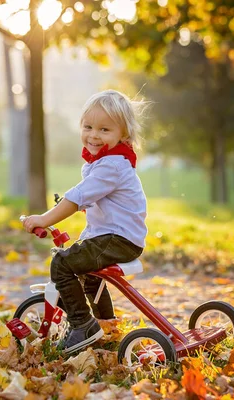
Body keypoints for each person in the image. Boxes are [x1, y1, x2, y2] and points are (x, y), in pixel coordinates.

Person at [22, 89, 148, 354]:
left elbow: (78, 196)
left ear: (122, 135)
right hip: (119, 237)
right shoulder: (108, 162)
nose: (93, 135)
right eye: (88, 126)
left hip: (117, 239)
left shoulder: (111, 165)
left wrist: (44, 219)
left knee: (63, 263)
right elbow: (92, 197)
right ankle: (105, 325)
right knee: (89, 275)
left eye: (104, 130)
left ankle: (83, 324)